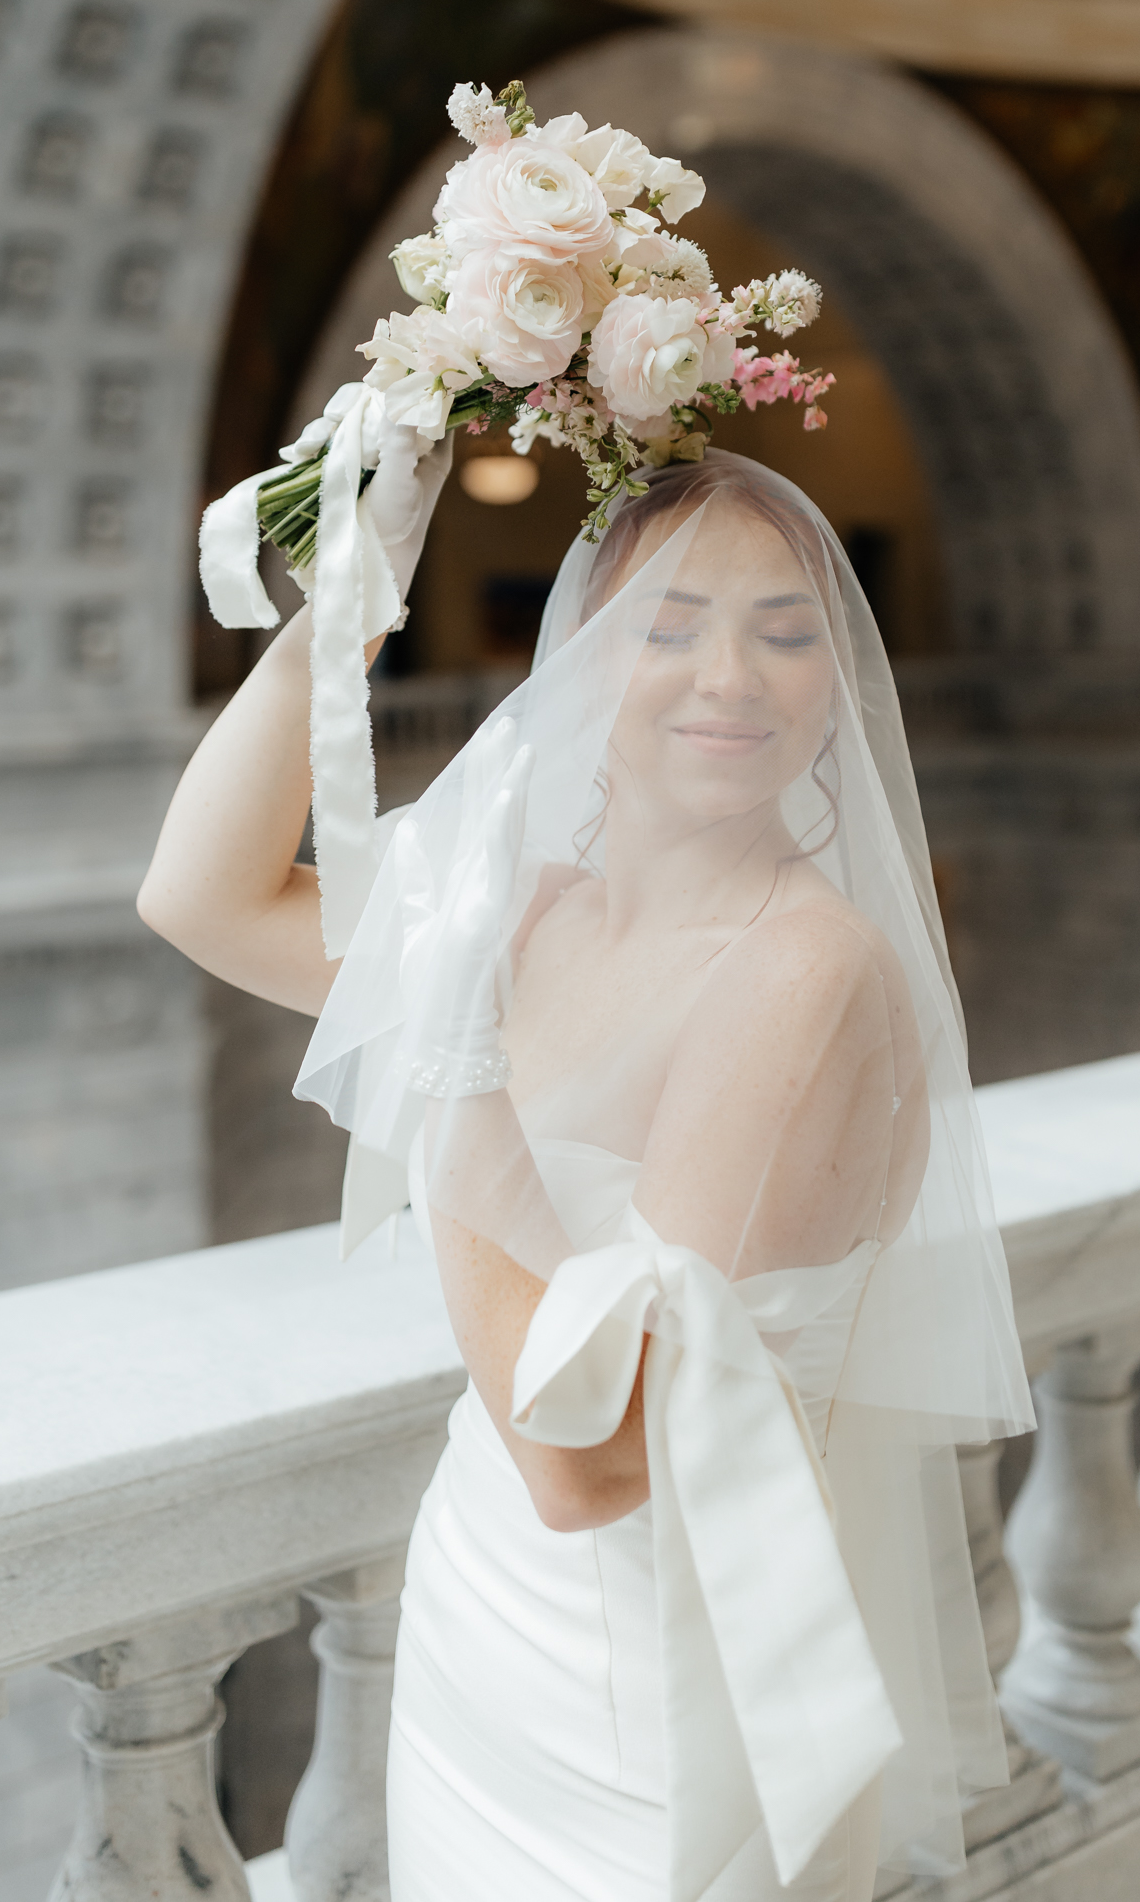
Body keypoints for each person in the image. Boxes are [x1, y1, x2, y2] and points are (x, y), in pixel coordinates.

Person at [142, 446, 1032, 1901]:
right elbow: (200, 895)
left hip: (647, 1691)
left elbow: (593, 1456)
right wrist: (341, 612)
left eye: (787, 631)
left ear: (839, 684)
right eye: (667, 628)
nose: (731, 676)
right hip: (481, 1627)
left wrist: (457, 1058)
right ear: (578, 664)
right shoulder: (529, 914)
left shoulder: (803, 972)